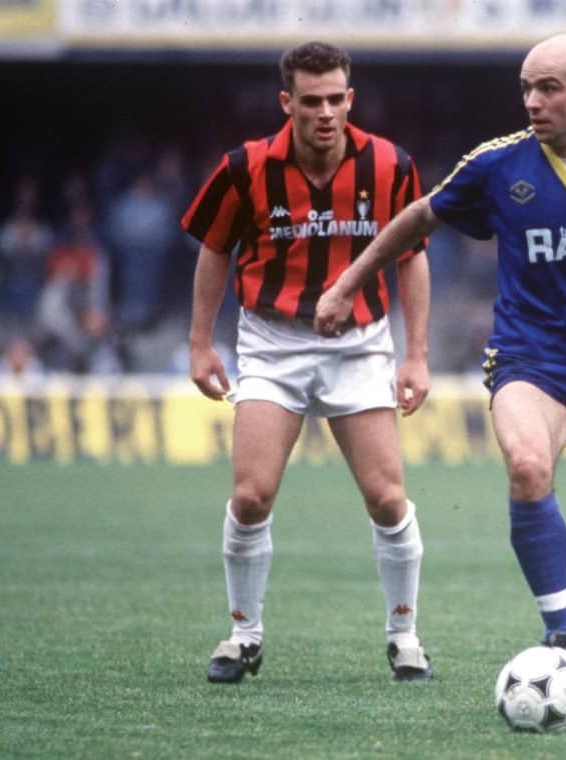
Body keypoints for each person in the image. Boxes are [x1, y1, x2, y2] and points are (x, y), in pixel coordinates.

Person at [316, 34, 566, 713]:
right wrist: (347, 283)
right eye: (526, 88)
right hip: (529, 356)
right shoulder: (499, 164)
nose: (532, 101)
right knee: (529, 467)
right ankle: (564, 634)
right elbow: (418, 218)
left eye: (549, 88)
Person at [180, 41, 434, 684]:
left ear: (351, 99)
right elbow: (214, 248)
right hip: (272, 343)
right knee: (251, 495)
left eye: (336, 100)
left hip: (359, 345)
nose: (325, 113)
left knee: (387, 498)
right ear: (286, 102)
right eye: (312, 101)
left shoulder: (390, 164)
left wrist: (417, 355)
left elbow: (413, 256)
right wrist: (200, 343)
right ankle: (243, 636)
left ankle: (404, 636)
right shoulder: (244, 168)